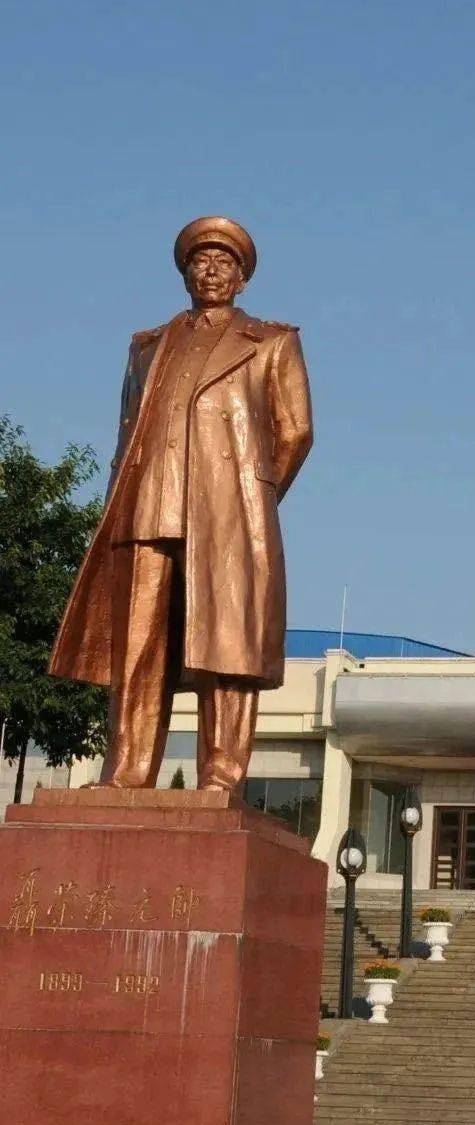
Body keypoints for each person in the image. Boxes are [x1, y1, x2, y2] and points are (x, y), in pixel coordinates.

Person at [50, 217, 313, 793]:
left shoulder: (271, 342)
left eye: (225, 263)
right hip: (147, 507)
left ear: (242, 279)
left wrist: (252, 501)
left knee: (227, 647)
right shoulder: (146, 347)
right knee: (137, 647)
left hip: (229, 515)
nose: (212, 270)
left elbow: (294, 433)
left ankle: (221, 775)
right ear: (184, 272)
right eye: (201, 261)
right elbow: (126, 433)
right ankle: (127, 771)